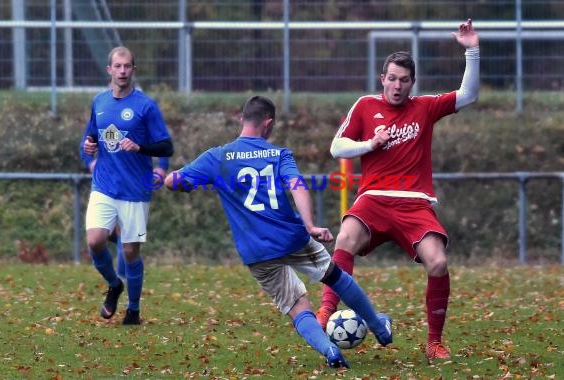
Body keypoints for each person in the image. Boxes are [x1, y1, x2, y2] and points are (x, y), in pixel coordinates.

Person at [165, 95, 393, 369]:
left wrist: (183, 184)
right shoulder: (278, 154)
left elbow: (172, 180)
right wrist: (310, 225)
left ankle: (330, 350)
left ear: (242, 120)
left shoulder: (218, 157)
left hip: (255, 251)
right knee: (334, 276)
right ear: (268, 124)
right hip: (292, 237)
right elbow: (297, 185)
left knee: (297, 305)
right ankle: (379, 327)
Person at [315, 18, 480, 361]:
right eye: (392, 78)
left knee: (438, 262)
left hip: (414, 204)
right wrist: (370, 143)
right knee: (345, 238)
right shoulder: (365, 106)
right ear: (383, 79)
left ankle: (434, 342)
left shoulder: (425, 107)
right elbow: (337, 148)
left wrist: (472, 50)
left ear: (412, 83)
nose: (397, 85)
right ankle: (325, 313)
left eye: (404, 80)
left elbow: (469, 95)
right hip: (373, 200)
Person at [81, 46, 174, 325]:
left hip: (135, 190)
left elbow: (166, 146)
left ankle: (133, 310)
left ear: (133, 70)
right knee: (95, 240)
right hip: (104, 186)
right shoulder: (99, 102)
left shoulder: (145, 106)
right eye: (117, 66)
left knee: (131, 251)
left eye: (127, 66)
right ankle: (114, 284)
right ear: (109, 70)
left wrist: (145, 153)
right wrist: (89, 152)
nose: (122, 71)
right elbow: (89, 140)